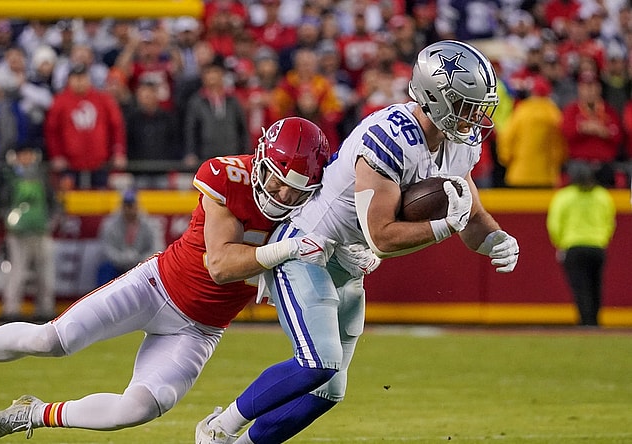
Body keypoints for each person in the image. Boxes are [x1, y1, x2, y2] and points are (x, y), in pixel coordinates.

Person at [0, 117, 340, 442]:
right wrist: (285, 250)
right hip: (157, 287)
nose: (282, 194)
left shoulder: (311, 209)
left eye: (295, 190)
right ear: (261, 158)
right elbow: (219, 264)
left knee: (137, 410)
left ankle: (31, 414)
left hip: (201, 329)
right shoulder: (225, 175)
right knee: (51, 340)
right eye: (277, 180)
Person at [196, 40, 521, 444]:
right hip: (308, 246)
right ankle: (218, 428)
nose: (476, 117)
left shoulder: (459, 143)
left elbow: (470, 215)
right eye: (467, 105)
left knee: (328, 390)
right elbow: (381, 237)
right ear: (436, 98)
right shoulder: (391, 137)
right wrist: (443, 227)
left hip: (348, 260)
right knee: (318, 363)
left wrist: (495, 239)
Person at [0, 142, 62, 321]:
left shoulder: (42, 175)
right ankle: (11, 311)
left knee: (45, 275)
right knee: (17, 273)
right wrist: (9, 222)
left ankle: (45, 311)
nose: (26, 158)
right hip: (18, 234)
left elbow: (54, 201)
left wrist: (50, 222)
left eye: (29, 154)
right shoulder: (8, 176)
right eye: (23, 154)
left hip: (41, 232)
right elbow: (0, 203)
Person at [546, 161, 616, 326]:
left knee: (580, 287)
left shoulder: (564, 196)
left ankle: (586, 322)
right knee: (595, 285)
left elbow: (554, 224)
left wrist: (560, 243)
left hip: (573, 246)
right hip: (597, 246)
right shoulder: (602, 195)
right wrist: (602, 239)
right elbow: (610, 221)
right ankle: (594, 322)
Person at [95, 188, 164, 285]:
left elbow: (157, 248)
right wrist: (123, 259)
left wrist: (139, 260)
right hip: (117, 265)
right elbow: (106, 250)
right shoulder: (110, 224)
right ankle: (104, 295)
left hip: (142, 266)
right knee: (105, 268)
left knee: (156, 269)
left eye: (131, 205)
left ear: (137, 205)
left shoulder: (150, 224)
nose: (129, 209)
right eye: (126, 205)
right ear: (122, 206)